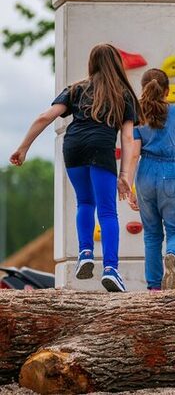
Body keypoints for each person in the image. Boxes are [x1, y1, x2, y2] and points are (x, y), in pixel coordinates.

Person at [9, 43, 140, 291]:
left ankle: (85, 253)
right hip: (101, 148)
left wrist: (23, 147)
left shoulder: (76, 89)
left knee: (85, 203)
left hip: (74, 147)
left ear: (92, 63)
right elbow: (128, 139)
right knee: (107, 211)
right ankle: (111, 268)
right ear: (116, 64)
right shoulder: (123, 95)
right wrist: (125, 175)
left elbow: (44, 117)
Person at [124, 68, 175, 291]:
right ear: (167, 91)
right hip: (173, 174)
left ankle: (154, 288)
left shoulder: (138, 118)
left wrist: (130, 186)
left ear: (143, 89)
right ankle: (173, 257)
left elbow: (134, 154)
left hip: (146, 174)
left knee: (151, 234)